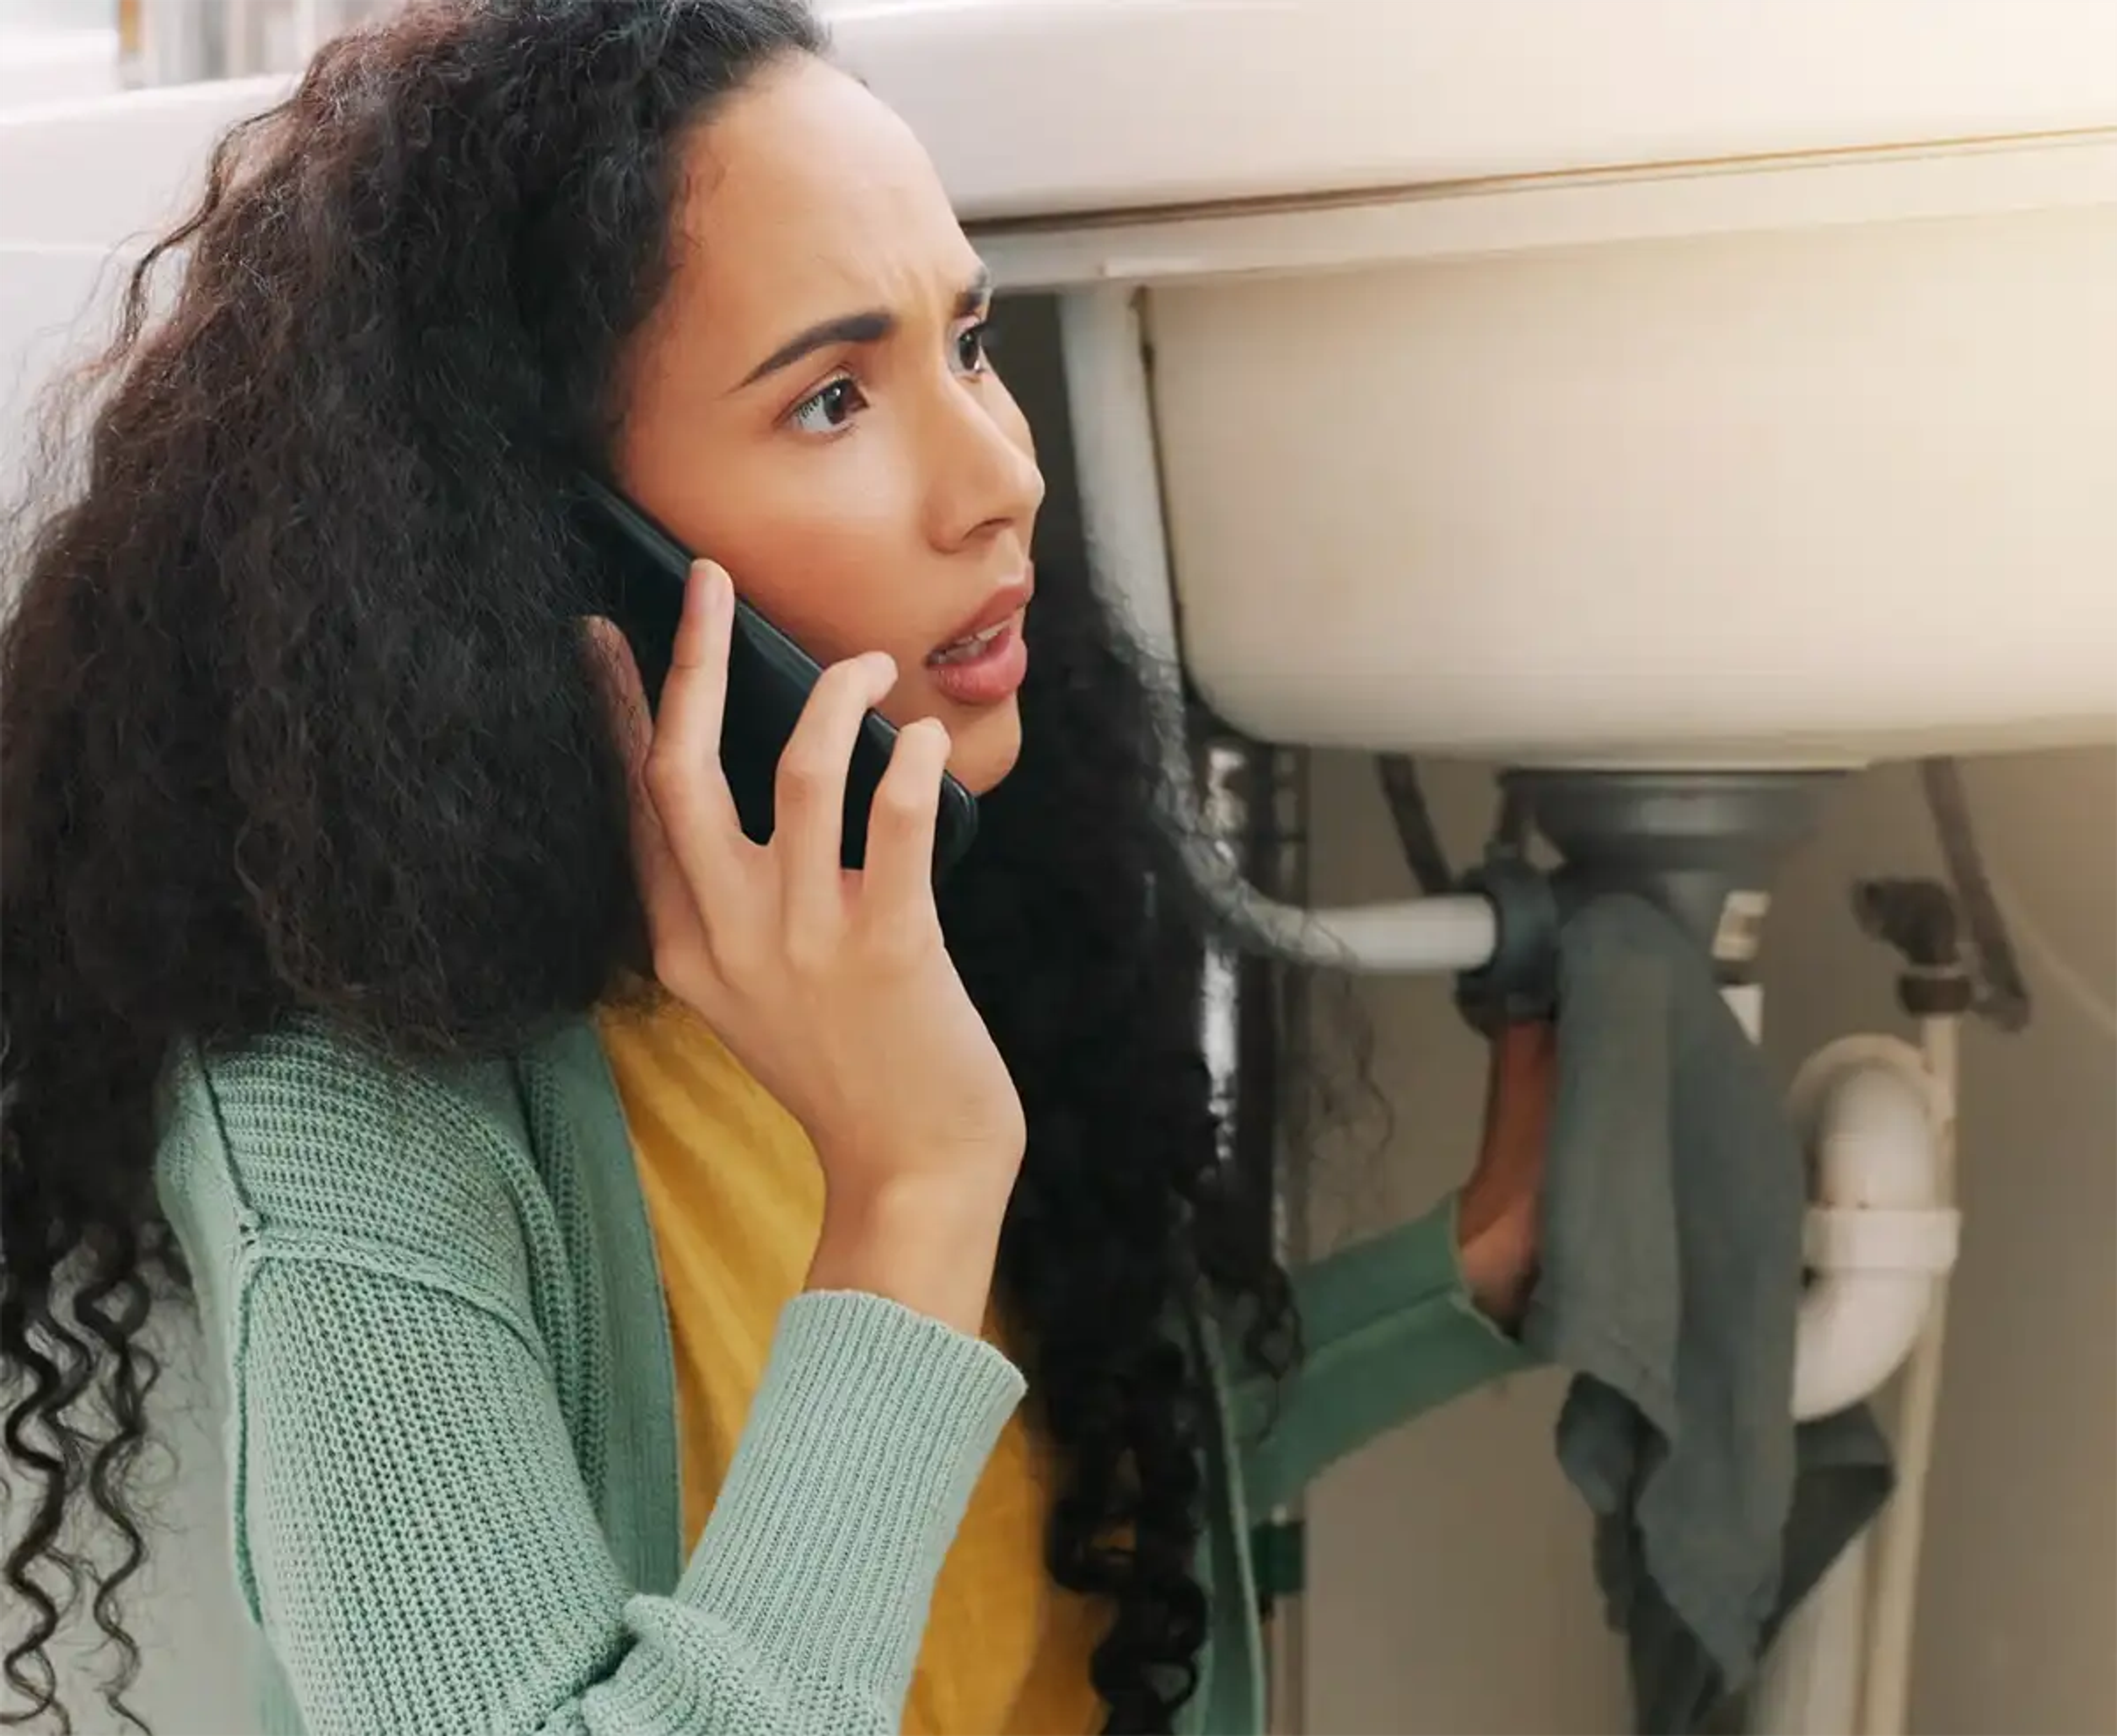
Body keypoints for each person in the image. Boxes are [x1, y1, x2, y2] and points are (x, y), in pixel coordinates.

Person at [0, 2, 1556, 1732]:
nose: (1003, 477)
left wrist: (1463, 1270)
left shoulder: (925, 869)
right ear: (538, 541)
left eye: (964, 343)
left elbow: (1007, 1501)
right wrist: (913, 1179)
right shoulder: (341, 1106)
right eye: (831, 397)